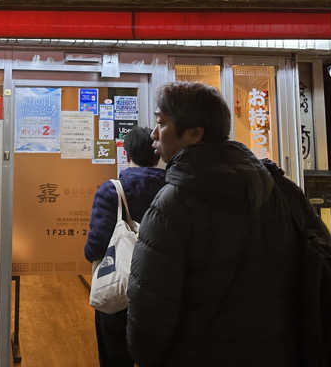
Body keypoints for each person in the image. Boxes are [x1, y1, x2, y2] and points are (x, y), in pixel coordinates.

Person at [126, 82, 301, 366]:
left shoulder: (174, 202)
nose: (154, 134)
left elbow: (150, 309)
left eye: (161, 123)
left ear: (195, 133)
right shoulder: (275, 189)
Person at [85, 126, 166, 367]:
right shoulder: (172, 188)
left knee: (115, 356)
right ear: (157, 154)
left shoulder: (112, 190)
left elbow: (94, 248)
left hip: (118, 290)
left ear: (127, 155)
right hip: (161, 291)